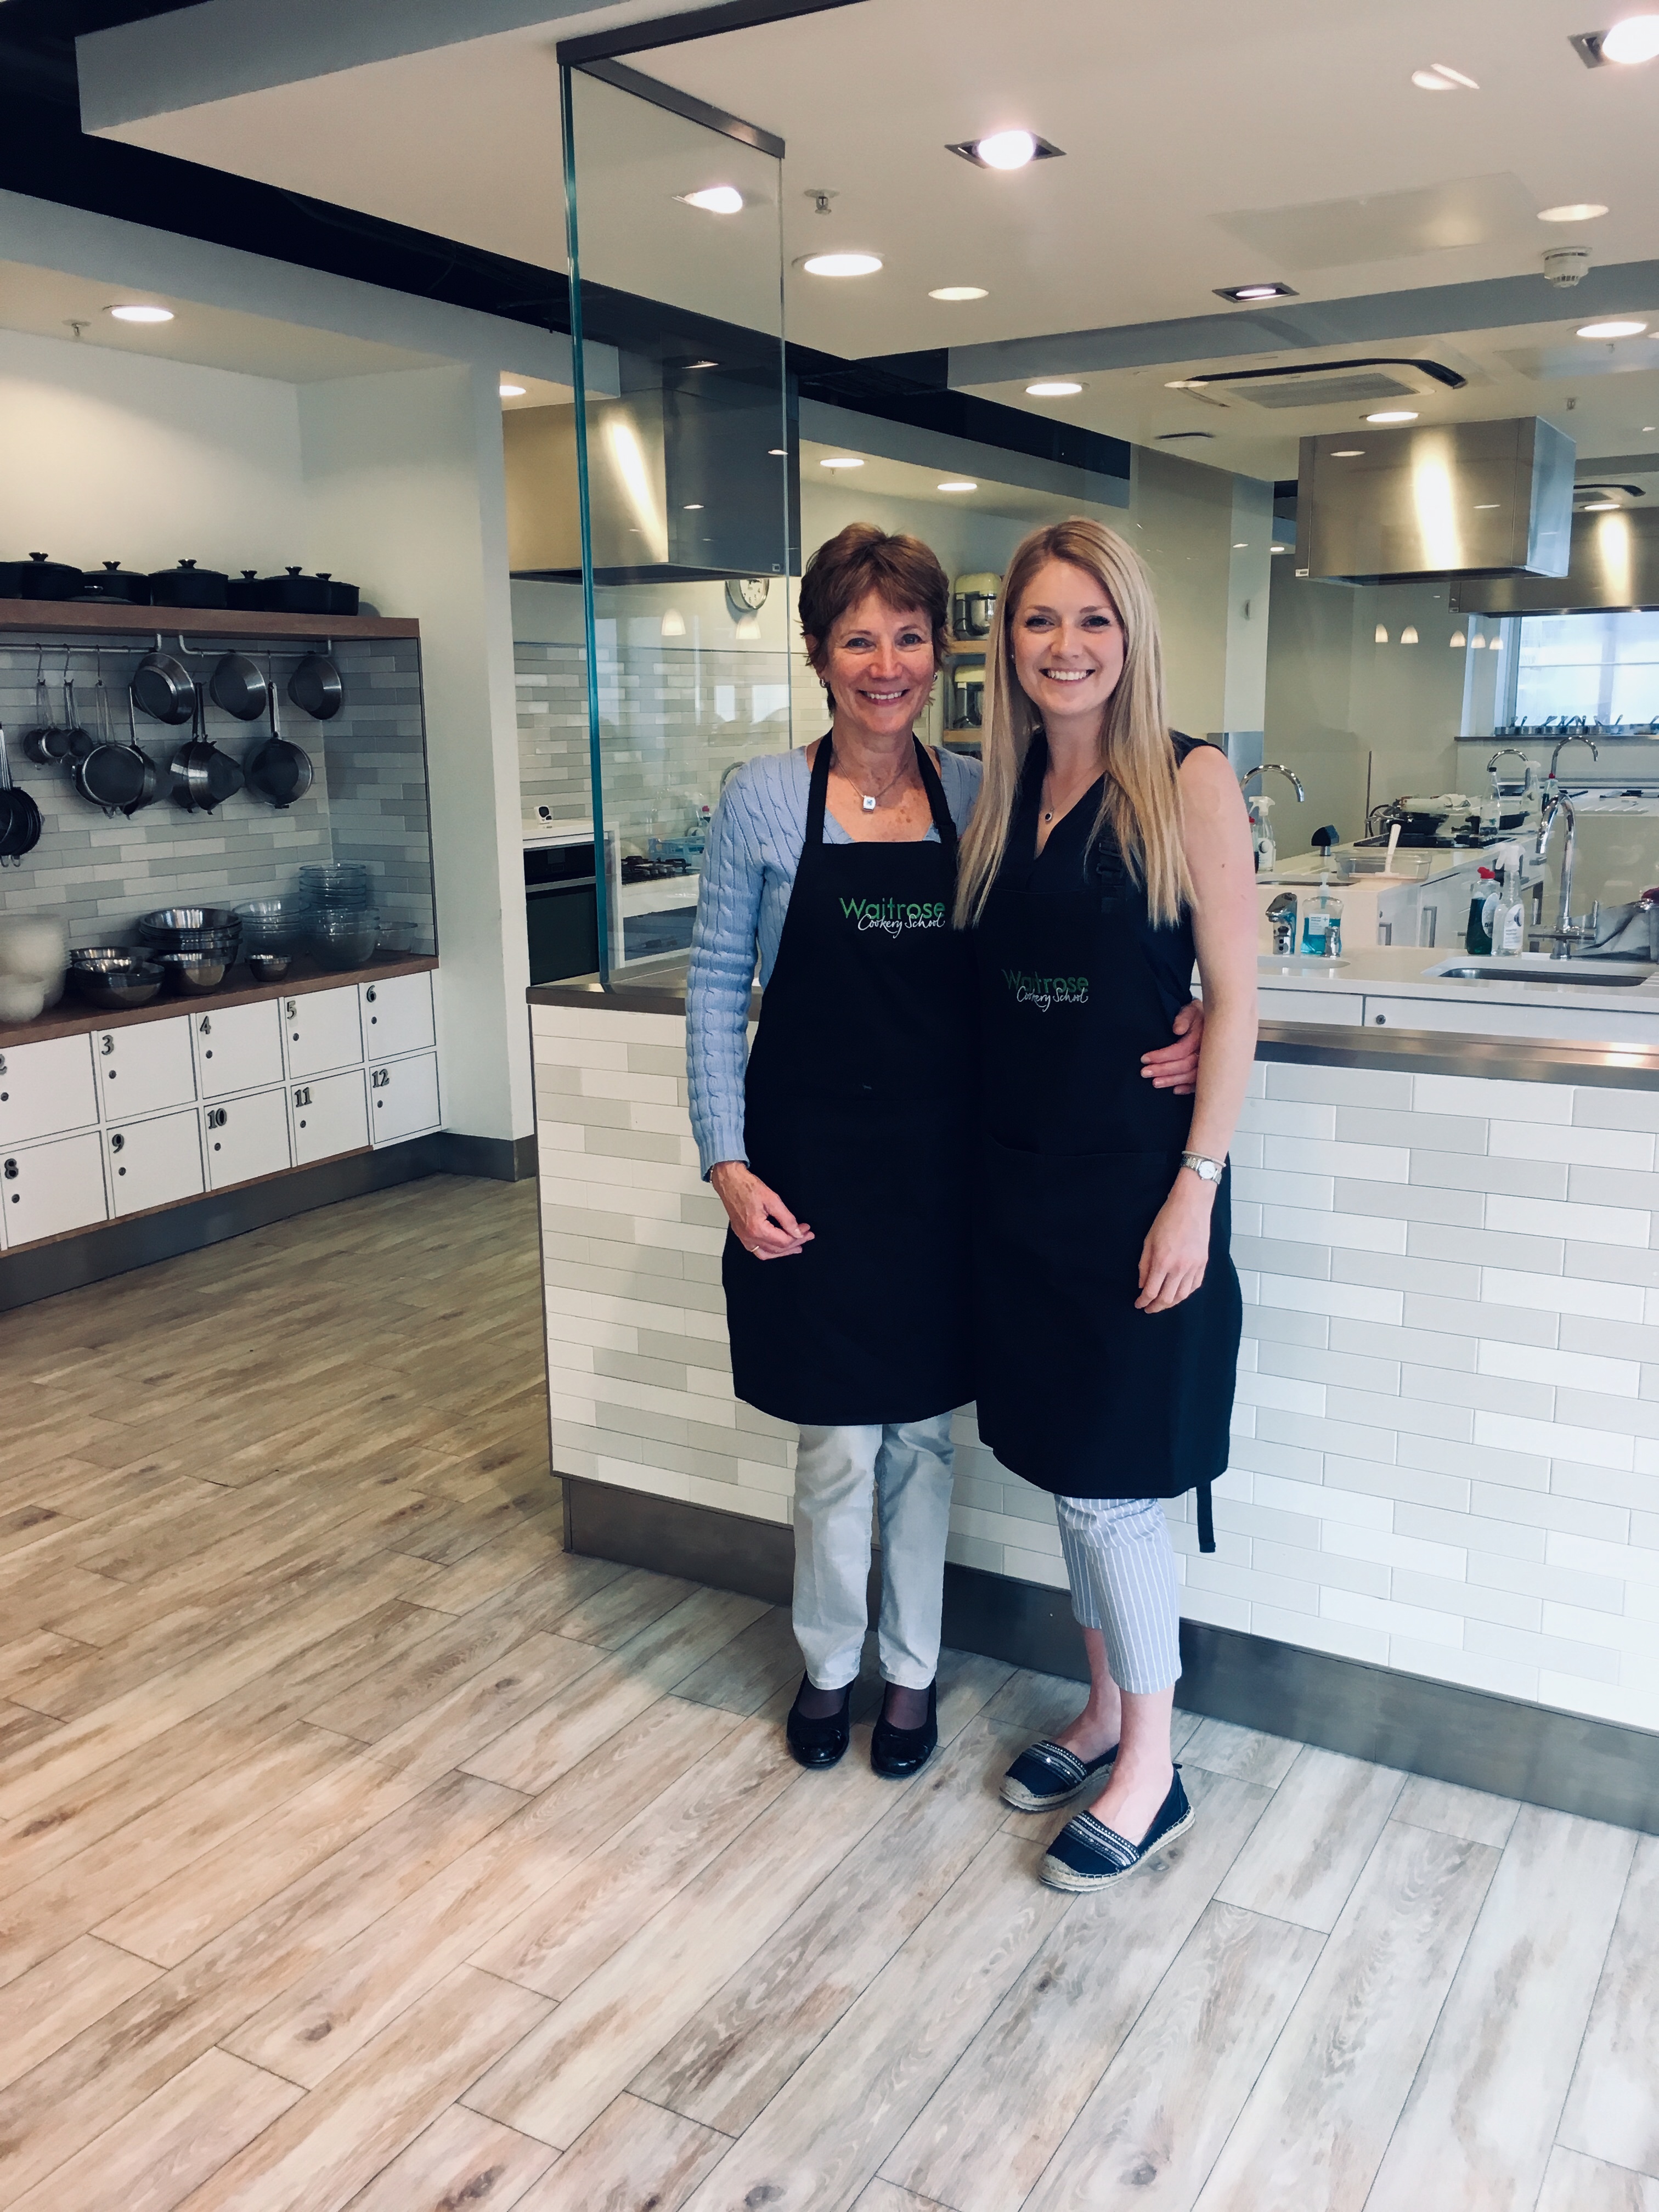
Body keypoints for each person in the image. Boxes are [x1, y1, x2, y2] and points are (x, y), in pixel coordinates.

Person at [686, 522, 1206, 1780]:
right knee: (836, 1448)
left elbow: (1069, 953)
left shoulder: (983, 792)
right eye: (858, 640)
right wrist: (727, 1161)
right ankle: (828, 1665)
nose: (886, 666)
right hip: (811, 1172)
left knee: (922, 1443)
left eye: (908, 638)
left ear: (939, 653)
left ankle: (912, 1673)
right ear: (819, 654)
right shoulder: (764, 798)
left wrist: (1190, 1012)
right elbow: (712, 991)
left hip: (946, 1177)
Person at [954, 517, 1257, 1892]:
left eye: (1093, 620)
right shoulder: (1002, 791)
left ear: (1130, 636)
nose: (1065, 646)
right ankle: (1098, 1714)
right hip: (1022, 1186)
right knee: (1065, 1471)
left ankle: (1154, 1767)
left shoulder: (1189, 779)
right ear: (1008, 641)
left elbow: (1236, 1001)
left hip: (1140, 1185)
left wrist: (1196, 1188)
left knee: (1114, 1489)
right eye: (1040, 620)